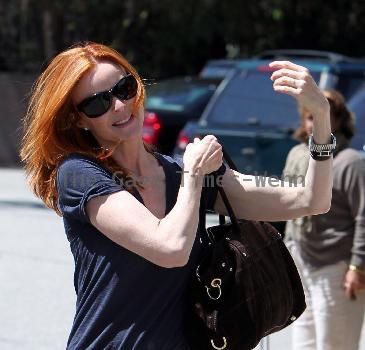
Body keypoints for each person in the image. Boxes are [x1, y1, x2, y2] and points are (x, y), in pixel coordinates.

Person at [20, 42, 334, 350]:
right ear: (79, 119)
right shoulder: (78, 173)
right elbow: (169, 248)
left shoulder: (179, 173)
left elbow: (311, 199)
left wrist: (321, 117)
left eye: (124, 88)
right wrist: (194, 176)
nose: (118, 106)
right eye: (96, 104)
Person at [283, 89, 365, 350]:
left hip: (336, 267)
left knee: (335, 345)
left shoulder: (349, 163)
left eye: (322, 116)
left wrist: (357, 268)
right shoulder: (297, 155)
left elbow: (364, 217)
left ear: (338, 120)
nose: (314, 122)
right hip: (301, 260)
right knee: (302, 343)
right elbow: (287, 206)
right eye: (310, 117)